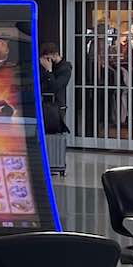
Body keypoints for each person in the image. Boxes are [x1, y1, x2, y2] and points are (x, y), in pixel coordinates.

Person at [41, 43, 72, 175]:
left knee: (55, 134)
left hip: (57, 106)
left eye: (48, 58)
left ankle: (55, 162)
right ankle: (46, 162)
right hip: (45, 104)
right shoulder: (46, 67)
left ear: (54, 56)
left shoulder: (65, 69)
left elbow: (55, 87)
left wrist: (49, 71)